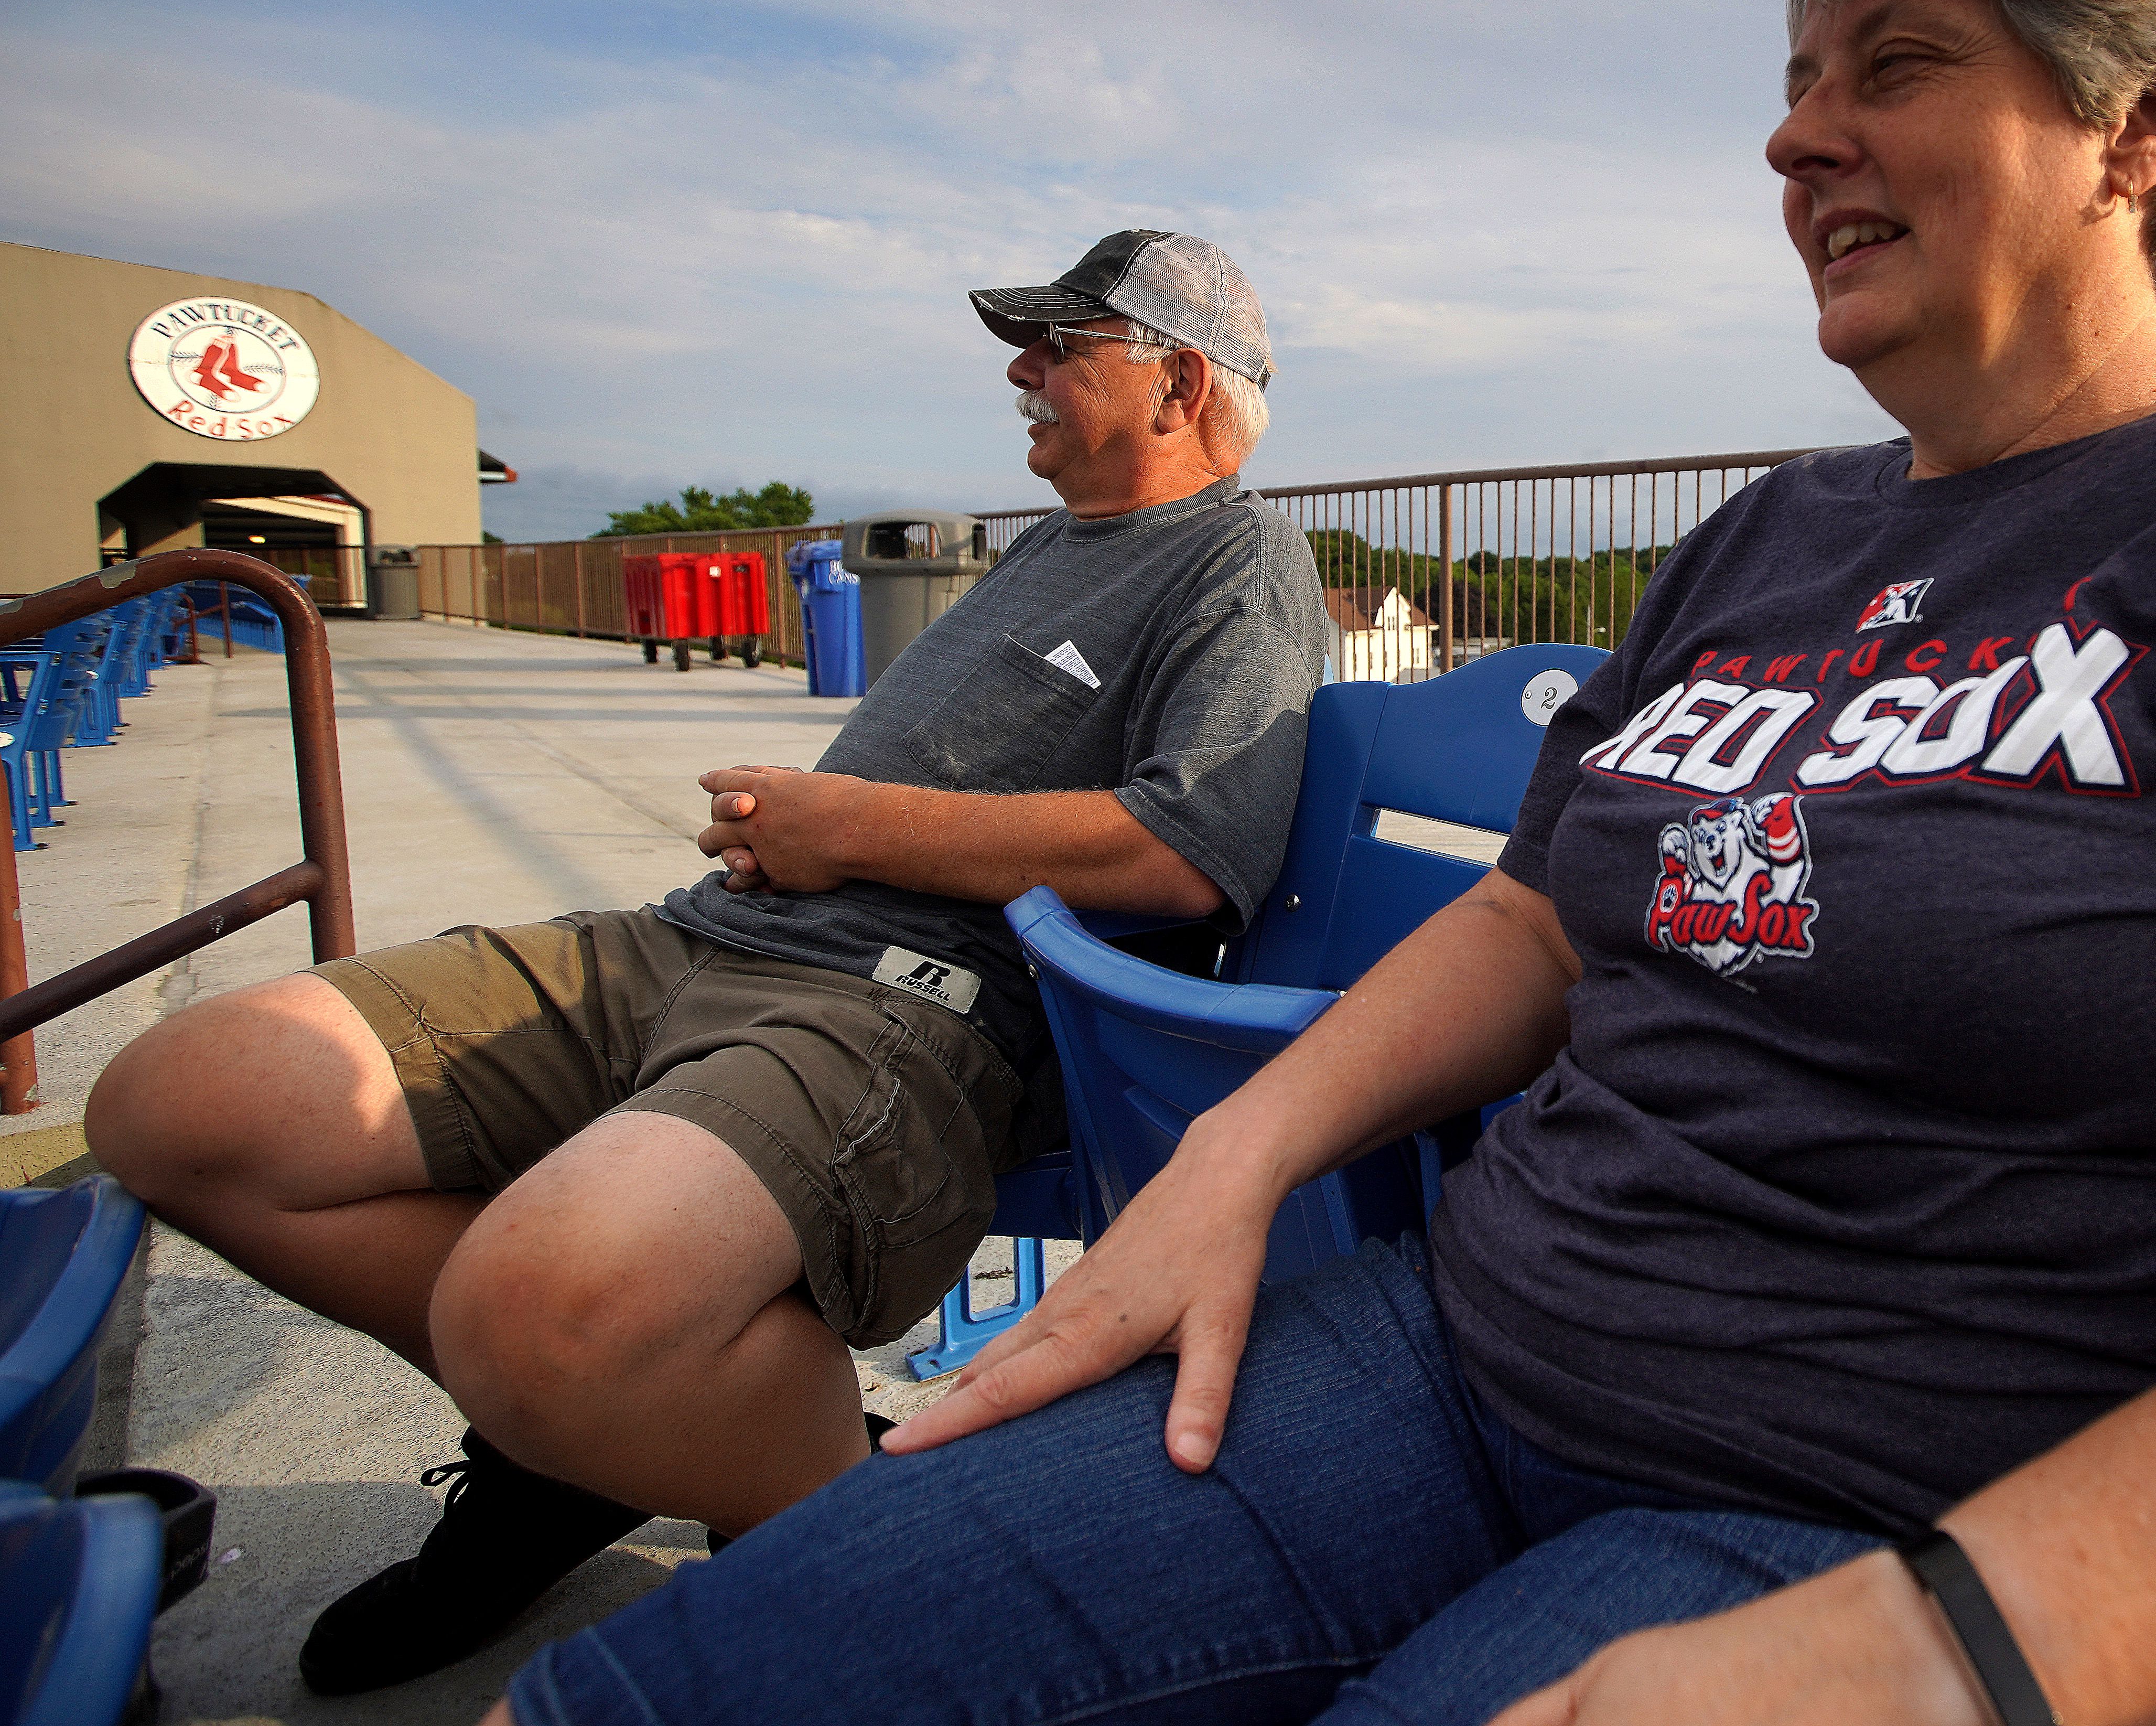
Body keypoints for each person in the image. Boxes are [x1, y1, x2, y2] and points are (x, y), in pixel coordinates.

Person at [484, 0, 2156, 1726]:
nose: (1798, 141)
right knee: (657, 1692)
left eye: (1896, 64)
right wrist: (1238, 1158)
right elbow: (1541, 913)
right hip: (1455, 1353)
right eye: (1798, 81)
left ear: (2150, 123)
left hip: (1897, 1508)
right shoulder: (1774, 535)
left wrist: (1955, 1641)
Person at [86, 230, 1328, 1695]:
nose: (1021, 370)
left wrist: (847, 823)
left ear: (1181, 382)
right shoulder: (1047, 546)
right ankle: (587, 1440)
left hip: (902, 1009)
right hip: (699, 936)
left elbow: (1191, 850)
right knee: (181, 1106)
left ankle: (789, 1509)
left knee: (535, 1304)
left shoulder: (1240, 558)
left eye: (1062, 345)